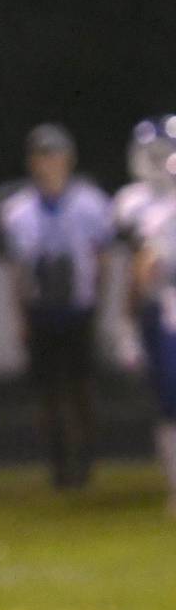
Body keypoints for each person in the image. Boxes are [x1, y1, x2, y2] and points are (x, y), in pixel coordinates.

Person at [0, 125, 114, 489]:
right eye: (41, 156)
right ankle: (59, 464)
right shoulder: (17, 211)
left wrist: (100, 306)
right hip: (42, 309)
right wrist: (20, 316)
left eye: (54, 155)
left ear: (68, 158)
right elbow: (17, 270)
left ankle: (86, 460)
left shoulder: (91, 204)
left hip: (78, 309)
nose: (47, 163)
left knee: (81, 388)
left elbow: (102, 260)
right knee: (48, 393)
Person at [115, 118, 176, 513]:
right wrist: (127, 325)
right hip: (163, 308)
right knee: (170, 401)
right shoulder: (136, 203)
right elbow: (138, 270)